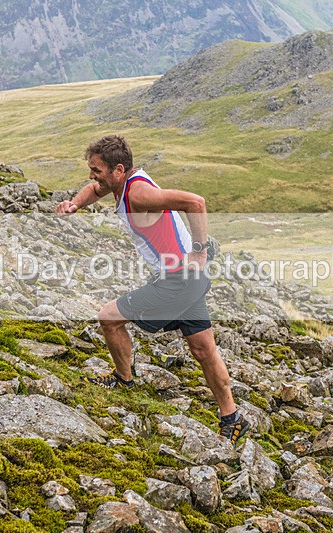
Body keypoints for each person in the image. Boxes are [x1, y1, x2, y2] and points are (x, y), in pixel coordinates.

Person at [56, 134, 250, 445]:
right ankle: (232, 417)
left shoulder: (139, 195)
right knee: (202, 348)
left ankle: (123, 380)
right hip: (186, 279)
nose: (92, 176)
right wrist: (74, 205)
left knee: (109, 317)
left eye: (97, 169)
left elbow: (195, 202)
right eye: (91, 169)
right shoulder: (122, 182)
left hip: (177, 278)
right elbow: (94, 190)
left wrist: (199, 251)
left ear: (118, 170)